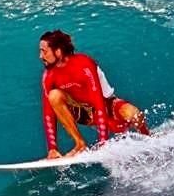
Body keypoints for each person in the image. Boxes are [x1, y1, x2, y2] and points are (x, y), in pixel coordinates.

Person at [39, 29, 149, 159]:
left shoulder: (84, 64)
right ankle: (80, 144)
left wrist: (103, 143)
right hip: (81, 112)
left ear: (58, 51)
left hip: (106, 106)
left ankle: (148, 139)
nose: (41, 56)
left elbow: (99, 103)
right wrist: (52, 148)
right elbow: (49, 114)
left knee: (135, 115)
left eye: (44, 51)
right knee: (54, 95)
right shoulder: (48, 76)